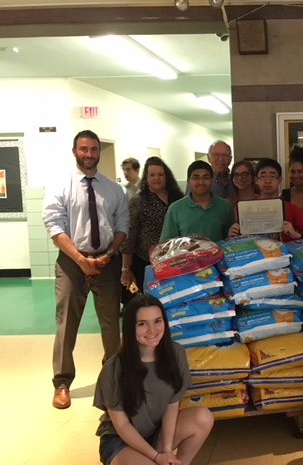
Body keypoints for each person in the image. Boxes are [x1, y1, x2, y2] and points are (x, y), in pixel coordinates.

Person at [43, 129, 129, 409]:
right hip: (71, 262)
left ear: (99, 153)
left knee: (110, 327)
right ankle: (62, 383)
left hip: (107, 261)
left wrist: (110, 254)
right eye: (84, 149)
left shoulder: (112, 188)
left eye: (94, 149)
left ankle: (112, 379)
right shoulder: (59, 185)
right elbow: (54, 225)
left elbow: (122, 225)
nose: (89, 154)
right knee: (66, 324)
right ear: (74, 151)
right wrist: (81, 260)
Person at [94, 294, 213, 465]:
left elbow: (172, 406)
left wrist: (167, 450)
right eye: (142, 324)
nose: (152, 330)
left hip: (156, 432)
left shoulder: (176, 353)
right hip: (121, 440)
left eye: (157, 321)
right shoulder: (113, 368)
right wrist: (156, 457)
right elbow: (122, 426)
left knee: (203, 417)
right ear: (129, 327)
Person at [120, 157, 184, 297]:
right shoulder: (138, 202)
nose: (157, 178)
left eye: (160, 174)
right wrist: (126, 268)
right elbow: (130, 237)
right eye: (152, 175)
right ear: (146, 178)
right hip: (146, 264)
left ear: (167, 177)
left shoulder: (178, 198)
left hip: (176, 261)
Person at [228, 158, 303, 243]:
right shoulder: (246, 208)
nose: (268, 181)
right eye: (263, 176)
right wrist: (232, 234)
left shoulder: (291, 208)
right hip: (255, 258)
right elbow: (237, 240)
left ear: (280, 180)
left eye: (272, 176)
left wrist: (297, 235)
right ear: (256, 180)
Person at [161, 160, 235, 242]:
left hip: (218, 254)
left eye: (206, 177)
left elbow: (230, 240)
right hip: (186, 255)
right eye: (196, 177)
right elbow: (166, 244)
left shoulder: (225, 207)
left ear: (212, 181)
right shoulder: (175, 209)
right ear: (188, 182)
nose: (201, 182)